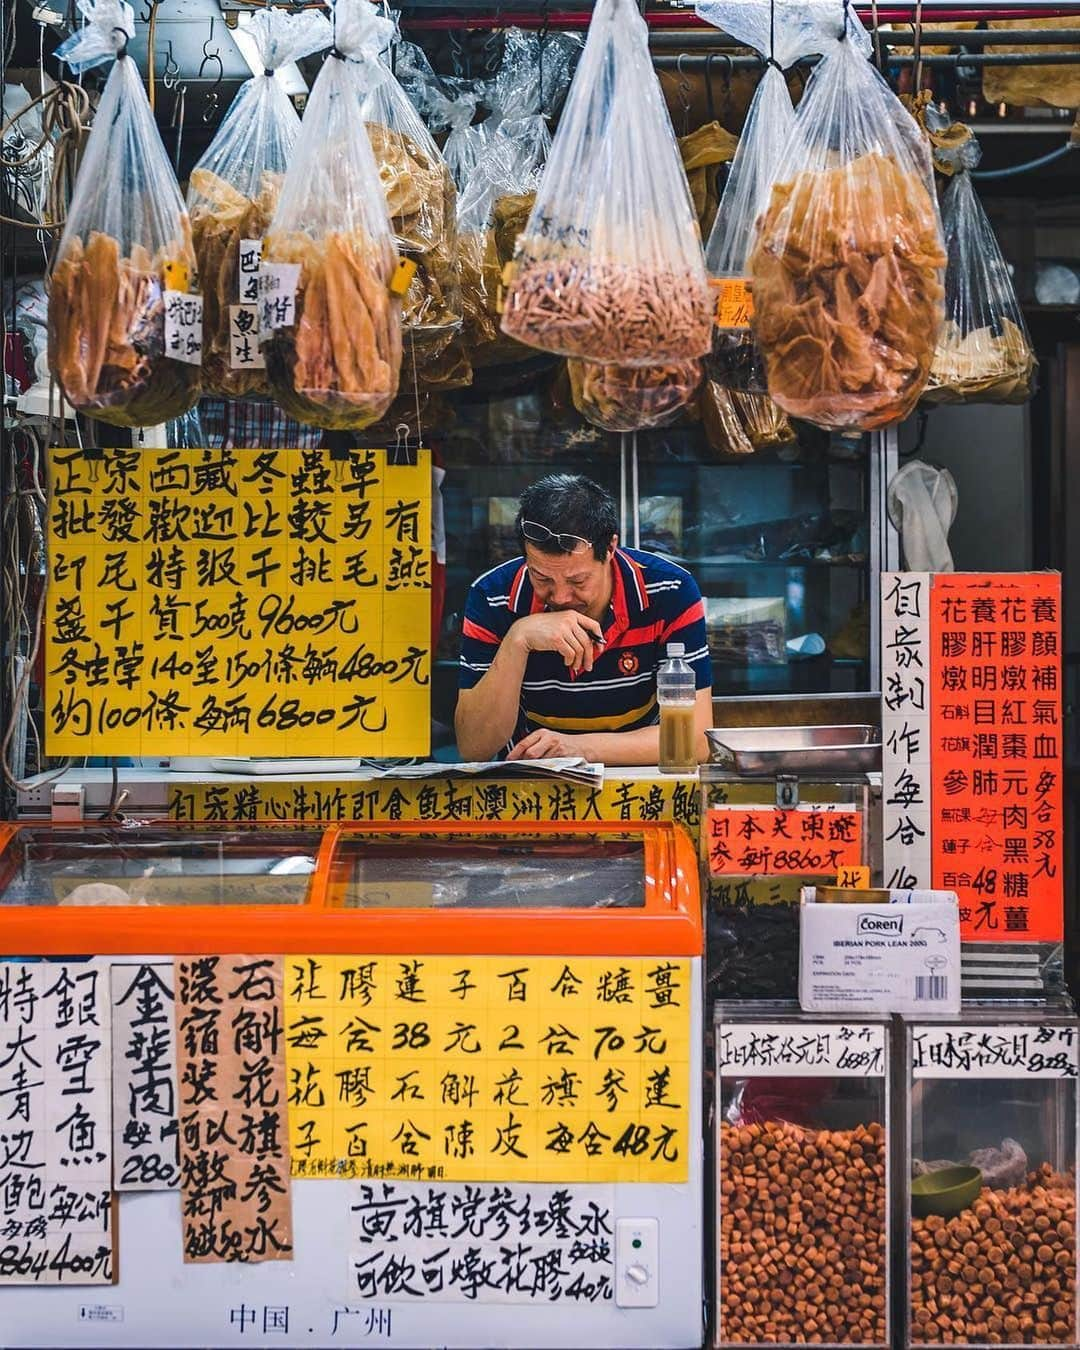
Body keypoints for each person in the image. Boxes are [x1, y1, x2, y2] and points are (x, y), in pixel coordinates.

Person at [455, 473, 713, 765]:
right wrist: (518, 639)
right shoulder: (492, 596)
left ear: (611, 548)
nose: (561, 597)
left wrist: (578, 749)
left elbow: (694, 740)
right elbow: (472, 746)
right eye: (542, 578)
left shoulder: (670, 591)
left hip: (640, 783)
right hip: (529, 787)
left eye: (578, 580)